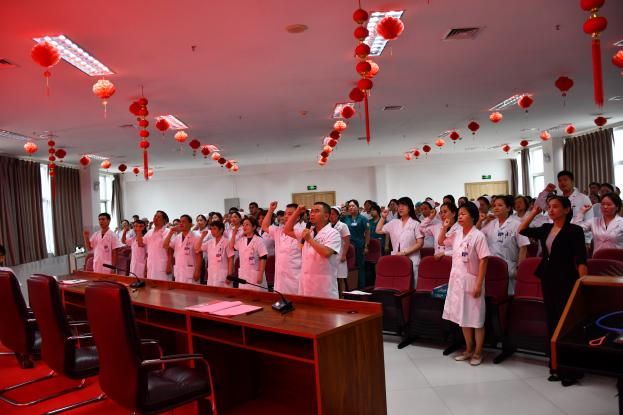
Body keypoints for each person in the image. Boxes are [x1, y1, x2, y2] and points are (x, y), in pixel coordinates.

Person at [519, 196, 587, 386]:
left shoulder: (575, 230)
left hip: (567, 280)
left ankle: (571, 370)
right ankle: (555, 366)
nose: (551, 210)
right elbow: (522, 229)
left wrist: (582, 285)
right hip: (548, 279)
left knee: (568, 325)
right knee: (553, 322)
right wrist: (534, 211)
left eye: (556, 207)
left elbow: (581, 259)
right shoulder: (546, 228)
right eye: (549, 207)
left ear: (567, 209)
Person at [439, 202, 490, 366]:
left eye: (463, 214)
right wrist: (444, 226)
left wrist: (479, 284)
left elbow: (484, 261)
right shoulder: (457, 233)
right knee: (463, 318)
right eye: (459, 214)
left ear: (473, 216)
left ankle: (478, 352)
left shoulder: (478, 236)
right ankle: (468, 349)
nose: (460, 216)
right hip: (457, 281)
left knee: (476, 319)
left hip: (472, 281)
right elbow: (441, 241)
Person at [284, 203, 341, 299]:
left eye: (316, 211)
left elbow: (326, 252)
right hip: (306, 283)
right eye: (311, 211)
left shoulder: (333, 233)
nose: (312, 214)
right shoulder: (308, 231)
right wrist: (297, 211)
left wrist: (309, 240)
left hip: (323, 286)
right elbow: (287, 230)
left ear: (326, 216)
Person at [479, 195, 530, 294]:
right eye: (494, 206)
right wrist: (482, 220)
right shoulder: (491, 223)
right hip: (491, 266)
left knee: (508, 295)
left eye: (500, 205)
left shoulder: (516, 224)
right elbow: (476, 235)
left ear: (508, 208)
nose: (496, 208)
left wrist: (519, 268)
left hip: (509, 267)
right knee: (491, 295)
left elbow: (523, 246)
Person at [375, 196, 424, 284]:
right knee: (398, 284)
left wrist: (404, 252)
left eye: (403, 205)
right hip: (396, 258)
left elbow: (419, 243)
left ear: (409, 208)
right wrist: (383, 217)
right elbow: (378, 230)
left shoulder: (416, 223)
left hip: (412, 259)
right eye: (399, 206)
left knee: (411, 285)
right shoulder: (394, 222)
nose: (400, 208)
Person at [536, 170, 593, 244]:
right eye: (560, 181)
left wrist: (572, 230)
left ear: (572, 182)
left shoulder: (583, 198)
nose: (562, 183)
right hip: (558, 237)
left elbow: (589, 220)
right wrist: (546, 191)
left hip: (578, 237)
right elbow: (540, 205)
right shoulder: (557, 199)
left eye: (565, 180)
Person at [262, 202, 304, 295]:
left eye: (290, 214)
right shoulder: (279, 230)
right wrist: (271, 210)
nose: (286, 216)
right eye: (285, 214)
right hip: (280, 279)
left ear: (297, 216)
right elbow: (264, 226)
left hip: (295, 278)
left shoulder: (302, 232)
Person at [229, 216, 268, 290]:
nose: (244, 227)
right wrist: (234, 234)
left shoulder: (259, 240)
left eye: (247, 224)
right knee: (244, 295)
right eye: (243, 225)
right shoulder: (241, 240)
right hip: (243, 273)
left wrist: (260, 274)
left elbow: (263, 257)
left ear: (254, 227)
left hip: (255, 273)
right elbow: (231, 247)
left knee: (256, 294)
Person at [163, 214, 200, 284]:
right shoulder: (177, 237)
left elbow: (199, 255)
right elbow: (165, 246)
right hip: (179, 270)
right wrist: (170, 233)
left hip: (191, 271)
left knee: (191, 290)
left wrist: (197, 271)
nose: (181, 223)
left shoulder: (196, 237)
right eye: (180, 222)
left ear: (190, 224)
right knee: (178, 290)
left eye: (184, 222)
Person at [341, 199, 370, 289]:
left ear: (357, 207)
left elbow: (367, 233)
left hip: (359, 246)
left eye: (353, 206)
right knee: (349, 267)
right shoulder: (345, 218)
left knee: (360, 266)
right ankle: (350, 287)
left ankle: (362, 288)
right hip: (348, 246)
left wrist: (366, 246)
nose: (351, 208)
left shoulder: (363, 219)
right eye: (349, 206)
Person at [195, 220, 233, 287]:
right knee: (211, 292)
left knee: (223, 292)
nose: (212, 231)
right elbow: (197, 249)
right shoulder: (209, 242)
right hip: (211, 274)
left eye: (214, 229)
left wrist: (229, 275)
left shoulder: (227, 242)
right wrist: (202, 237)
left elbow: (230, 259)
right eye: (211, 229)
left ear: (221, 230)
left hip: (223, 274)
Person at [143, 210, 173, 281]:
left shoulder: (168, 231)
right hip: (151, 264)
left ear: (164, 220)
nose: (155, 218)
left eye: (158, 217)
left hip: (162, 265)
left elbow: (170, 250)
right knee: (151, 286)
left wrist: (169, 265)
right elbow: (142, 245)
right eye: (155, 216)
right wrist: (145, 267)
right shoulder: (149, 232)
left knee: (163, 286)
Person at [330, 206, 350, 295]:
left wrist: (344, 255)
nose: (331, 216)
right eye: (330, 214)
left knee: (340, 278)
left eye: (333, 214)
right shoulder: (328, 226)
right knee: (332, 278)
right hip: (330, 255)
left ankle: (342, 298)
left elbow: (347, 241)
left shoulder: (343, 226)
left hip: (340, 254)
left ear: (338, 215)